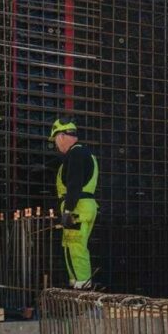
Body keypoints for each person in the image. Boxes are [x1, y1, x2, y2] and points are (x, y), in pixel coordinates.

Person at [50, 119, 99, 289]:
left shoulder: (76, 153)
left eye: (55, 140)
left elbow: (74, 184)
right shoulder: (85, 153)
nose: (56, 145)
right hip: (85, 206)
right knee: (72, 246)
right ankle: (78, 286)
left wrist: (68, 210)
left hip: (77, 208)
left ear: (62, 136)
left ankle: (82, 289)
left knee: (75, 247)